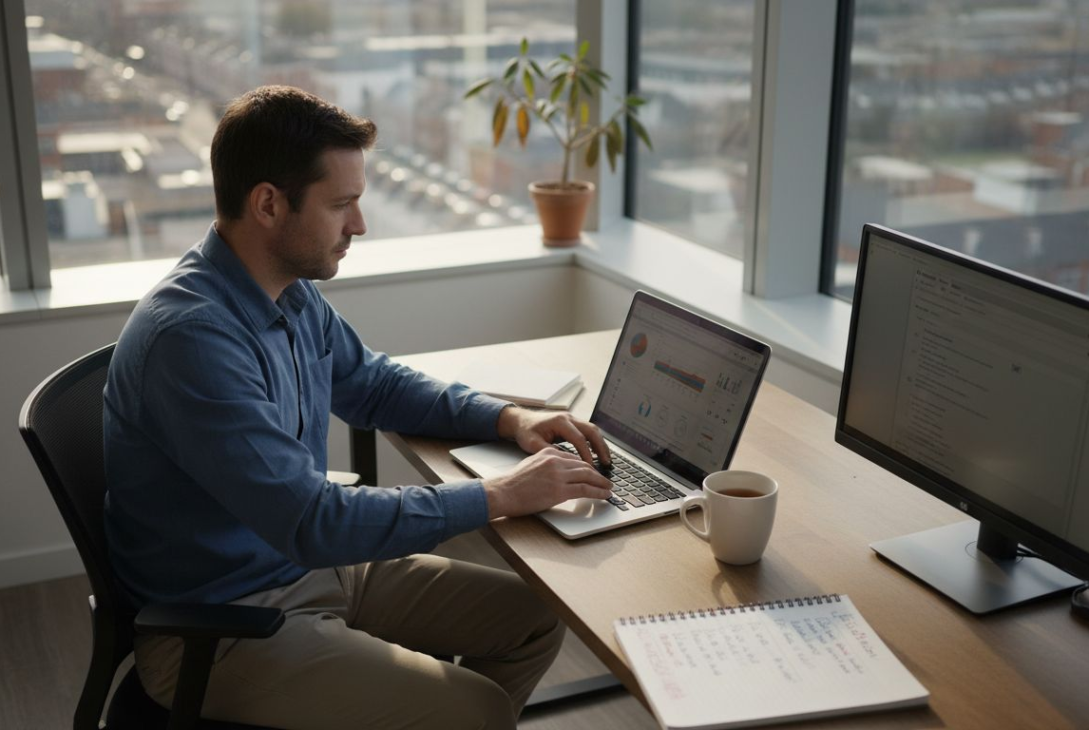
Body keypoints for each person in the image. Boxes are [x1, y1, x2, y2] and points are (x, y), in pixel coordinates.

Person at [103, 85, 614, 730]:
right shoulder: (193, 339)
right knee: (478, 709)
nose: (360, 225)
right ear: (268, 204)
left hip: (306, 567)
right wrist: (501, 495)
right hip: (221, 625)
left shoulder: (286, 290)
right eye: (342, 204)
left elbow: (374, 386)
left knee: (536, 615)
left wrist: (510, 419)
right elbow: (313, 521)